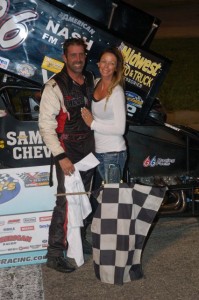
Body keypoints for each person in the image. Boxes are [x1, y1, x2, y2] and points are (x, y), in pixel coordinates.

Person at [39, 38, 95, 273]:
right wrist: (61, 157)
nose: (78, 59)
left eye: (81, 54)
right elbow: (45, 126)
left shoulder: (92, 80)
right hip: (67, 151)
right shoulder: (54, 87)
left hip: (89, 149)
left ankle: (78, 240)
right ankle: (54, 253)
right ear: (64, 57)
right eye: (73, 55)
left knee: (86, 198)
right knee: (65, 201)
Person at [81, 47, 127, 183]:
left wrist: (93, 124)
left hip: (113, 153)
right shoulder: (96, 83)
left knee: (112, 199)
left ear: (116, 67)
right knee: (105, 197)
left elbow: (120, 129)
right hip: (98, 151)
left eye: (111, 63)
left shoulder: (116, 92)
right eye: (104, 62)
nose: (106, 66)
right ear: (98, 64)